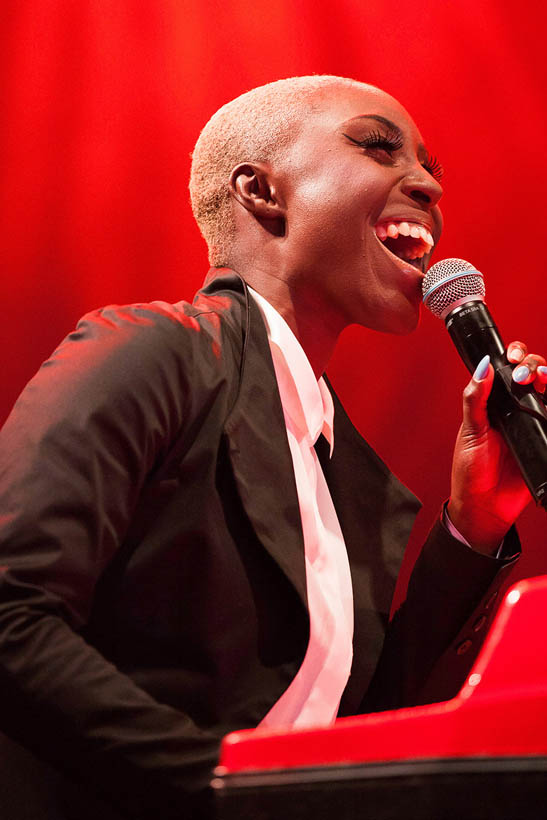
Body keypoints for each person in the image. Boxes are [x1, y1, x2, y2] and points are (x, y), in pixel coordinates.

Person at [0, 75, 545, 820]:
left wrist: (474, 520)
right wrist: (228, 786)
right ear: (261, 192)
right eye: (378, 148)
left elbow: (358, 730)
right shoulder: (152, 354)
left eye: (429, 171)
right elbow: (11, 615)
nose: (425, 186)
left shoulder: (341, 464)